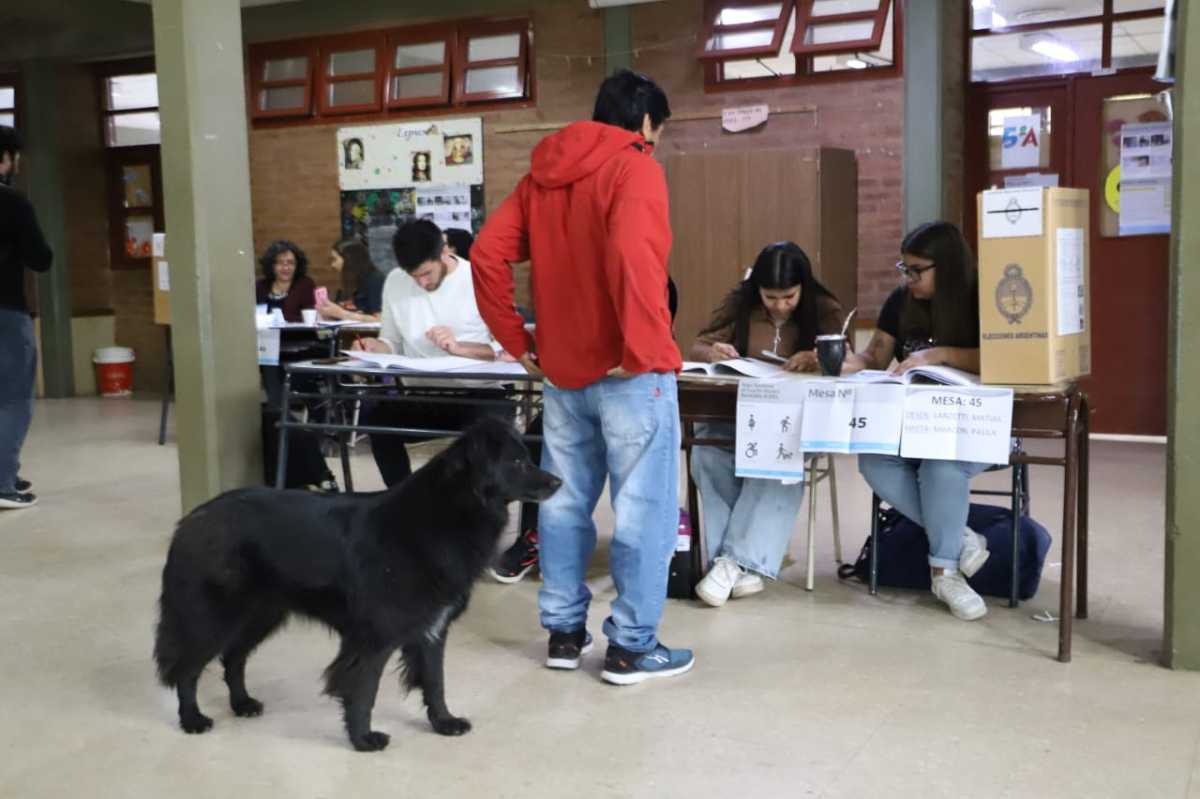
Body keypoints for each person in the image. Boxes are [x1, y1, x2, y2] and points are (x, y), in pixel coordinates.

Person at [471, 69, 692, 685]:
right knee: (644, 509)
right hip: (630, 372)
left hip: (563, 374)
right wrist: (643, 343)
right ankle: (630, 647)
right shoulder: (636, 165)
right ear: (647, 122)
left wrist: (518, 343)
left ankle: (565, 635)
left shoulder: (542, 175)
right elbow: (632, 255)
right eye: (660, 131)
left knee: (564, 505)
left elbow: (487, 253)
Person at [843, 221, 992, 621]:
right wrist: (845, 362)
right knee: (872, 459)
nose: (908, 278)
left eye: (917, 270)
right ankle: (958, 538)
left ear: (947, 268)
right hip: (911, 423)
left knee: (940, 463)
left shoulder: (983, 297)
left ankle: (944, 573)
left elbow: (1002, 359)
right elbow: (874, 357)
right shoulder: (900, 301)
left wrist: (940, 354)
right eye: (903, 268)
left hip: (973, 426)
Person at [489, 276, 679, 585]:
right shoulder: (590, 281)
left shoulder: (640, 280)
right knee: (636, 500)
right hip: (591, 382)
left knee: (627, 499)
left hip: (618, 385)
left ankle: (568, 620)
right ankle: (538, 539)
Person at [688, 242, 844, 606]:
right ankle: (740, 566)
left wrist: (817, 358)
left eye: (788, 297)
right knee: (706, 453)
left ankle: (729, 563)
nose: (780, 305)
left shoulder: (824, 309)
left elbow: (845, 360)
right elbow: (697, 346)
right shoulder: (739, 303)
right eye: (770, 297)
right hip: (738, 409)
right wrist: (713, 352)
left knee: (777, 461)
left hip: (797, 418)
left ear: (802, 288)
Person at [352, 219, 504, 485]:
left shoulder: (481, 278)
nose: (421, 283)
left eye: (427, 273)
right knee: (379, 420)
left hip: (480, 393)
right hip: (422, 393)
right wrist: (373, 347)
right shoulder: (395, 282)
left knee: (487, 446)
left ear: (444, 252)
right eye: (414, 276)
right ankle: (403, 502)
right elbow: (391, 342)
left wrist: (458, 348)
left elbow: (505, 349)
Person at [0, 126, 53, 510]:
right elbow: (41, 258)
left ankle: (5, 470)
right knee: (15, 399)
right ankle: (3, 482)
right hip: (6, 311)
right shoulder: (14, 204)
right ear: (5, 159)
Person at [316, 238, 384, 322]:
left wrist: (341, 313)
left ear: (349, 259)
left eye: (335, 259)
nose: (333, 265)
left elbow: (380, 319)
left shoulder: (375, 280)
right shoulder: (353, 282)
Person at [255, 240, 315, 323]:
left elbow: (310, 317)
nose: (285, 268)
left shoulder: (305, 284)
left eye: (290, 263)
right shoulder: (260, 286)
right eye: (280, 263)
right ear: (271, 265)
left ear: (297, 265)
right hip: (265, 335)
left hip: (298, 335)